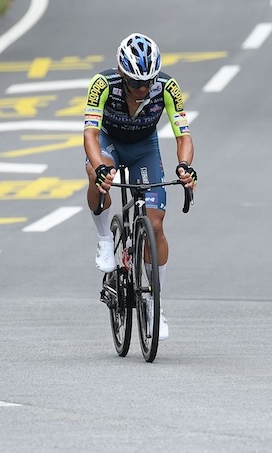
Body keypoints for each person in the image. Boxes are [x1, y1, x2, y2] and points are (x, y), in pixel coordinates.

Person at [83, 33, 197, 341]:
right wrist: (101, 168)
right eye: (136, 83)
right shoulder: (103, 84)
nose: (143, 89)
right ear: (122, 73)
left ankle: (152, 302)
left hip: (144, 147)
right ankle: (104, 238)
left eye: (148, 81)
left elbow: (183, 135)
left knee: (155, 224)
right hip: (109, 142)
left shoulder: (167, 87)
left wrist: (184, 166)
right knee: (96, 176)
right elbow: (90, 135)